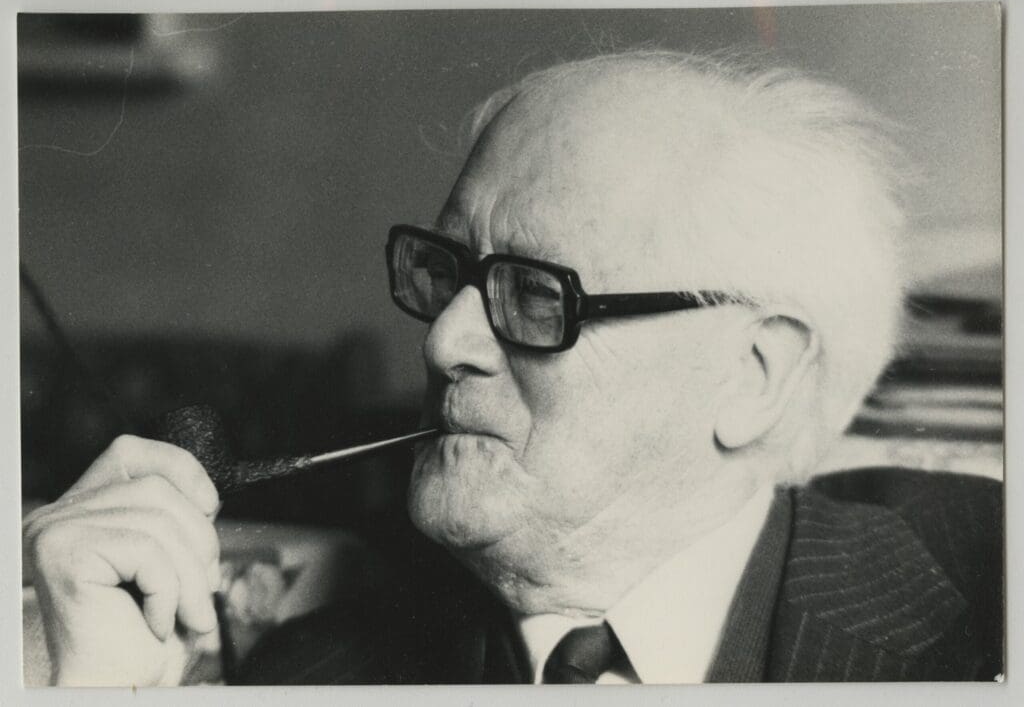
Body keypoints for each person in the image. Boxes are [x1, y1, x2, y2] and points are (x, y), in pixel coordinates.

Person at [22, 50, 1002, 686]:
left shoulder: (995, 601)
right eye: (446, 273)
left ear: (752, 375)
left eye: (538, 295)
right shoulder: (316, 671)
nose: (443, 343)